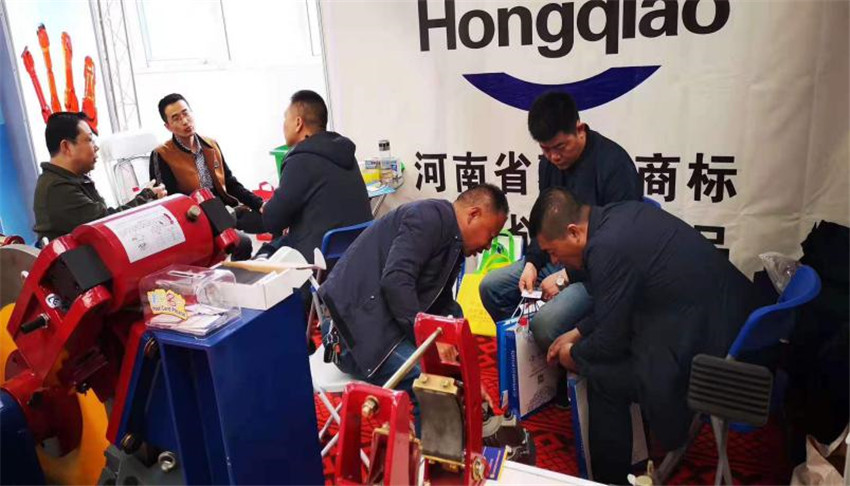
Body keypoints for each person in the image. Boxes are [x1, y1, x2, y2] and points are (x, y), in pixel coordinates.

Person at [529, 188, 755, 483]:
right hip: (722, 321)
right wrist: (578, 331)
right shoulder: (617, 216)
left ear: (573, 232)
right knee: (603, 355)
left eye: (552, 251)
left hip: (711, 353)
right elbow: (619, 303)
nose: (555, 260)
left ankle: (609, 479)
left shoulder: (605, 249)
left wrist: (573, 356)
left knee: (602, 376)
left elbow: (609, 343)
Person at [479, 91, 643, 350]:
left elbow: (622, 246)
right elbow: (544, 222)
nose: (554, 157)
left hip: (594, 273)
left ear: (580, 129)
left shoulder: (614, 165)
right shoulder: (548, 166)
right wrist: (532, 262)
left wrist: (566, 276)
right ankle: (529, 358)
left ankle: (564, 356)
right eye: (545, 149)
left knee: (545, 324)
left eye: (560, 147)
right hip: (554, 259)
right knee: (492, 287)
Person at [318, 184, 508, 394]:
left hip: (382, 317)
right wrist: (428, 341)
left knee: (455, 340)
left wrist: (466, 369)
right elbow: (396, 282)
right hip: (348, 331)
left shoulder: (452, 237)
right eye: (491, 235)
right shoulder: (426, 219)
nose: (488, 246)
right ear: (473, 214)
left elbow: (441, 301)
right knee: (434, 386)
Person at [256, 90, 372, 263]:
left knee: (264, 254)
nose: (283, 125)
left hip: (319, 264)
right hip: (358, 256)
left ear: (298, 123)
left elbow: (273, 221)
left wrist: (267, 208)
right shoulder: (344, 153)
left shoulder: (300, 159)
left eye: (285, 118)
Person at [149, 93, 262, 260]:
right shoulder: (161, 154)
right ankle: (239, 274)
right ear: (168, 126)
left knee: (274, 218)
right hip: (197, 220)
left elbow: (230, 183)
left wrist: (260, 204)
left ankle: (267, 261)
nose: (185, 121)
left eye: (186, 113)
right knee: (242, 243)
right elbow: (169, 203)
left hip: (227, 210)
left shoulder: (211, 145)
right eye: (176, 118)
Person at [33, 112, 166, 241]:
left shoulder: (69, 180)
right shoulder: (57, 189)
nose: (96, 147)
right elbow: (106, 224)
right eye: (89, 140)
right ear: (67, 146)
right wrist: (146, 197)